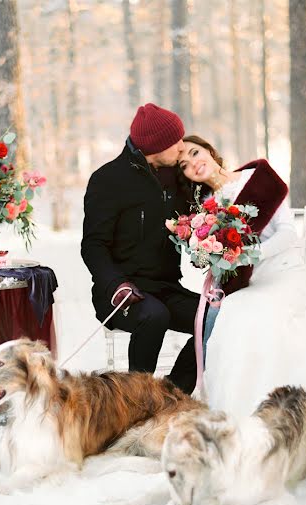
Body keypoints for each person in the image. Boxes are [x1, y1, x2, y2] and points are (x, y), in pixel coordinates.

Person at [177, 135, 306, 416]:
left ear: (210, 150)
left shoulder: (258, 179)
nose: (193, 163)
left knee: (256, 316)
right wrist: (213, 256)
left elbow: (289, 234)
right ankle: (239, 410)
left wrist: (250, 255)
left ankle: (282, 404)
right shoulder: (205, 208)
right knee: (233, 317)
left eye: (195, 153)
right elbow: (210, 256)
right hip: (247, 284)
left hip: (283, 272)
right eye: (183, 165)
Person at [81, 104, 202, 394]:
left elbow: (208, 202)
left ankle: (171, 397)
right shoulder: (108, 180)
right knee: (154, 315)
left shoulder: (177, 176)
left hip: (166, 288)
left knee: (215, 319)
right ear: (155, 146)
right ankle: (137, 401)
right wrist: (115, 285)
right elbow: (93, 245)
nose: (182, 146)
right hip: (120, 295)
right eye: (175, 141)